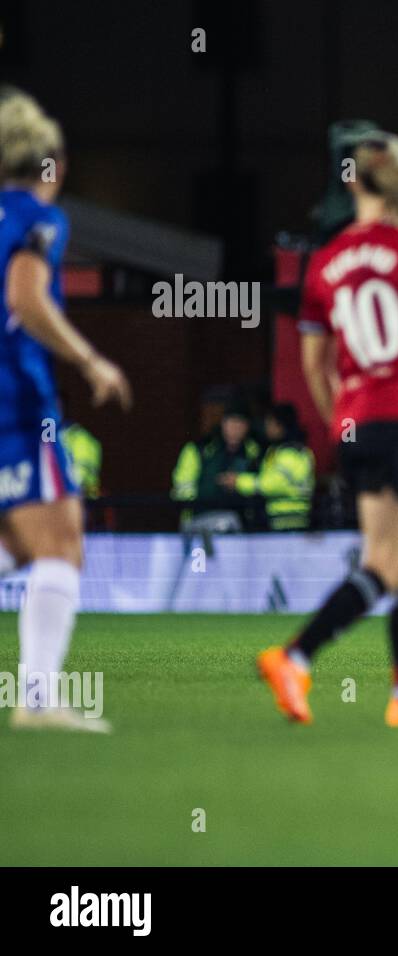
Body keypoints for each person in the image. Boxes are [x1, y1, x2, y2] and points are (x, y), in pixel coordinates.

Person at [257, 132, 398, 727]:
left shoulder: (324, 264)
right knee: (393, 561)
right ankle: (296, 655)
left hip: (355, 419)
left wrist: (343, 421)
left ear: (351, 182)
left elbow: (312, 363)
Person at [0, 96, 132, 731]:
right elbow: (24, 298)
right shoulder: (39, 220)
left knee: (16, 543)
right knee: (60, 541)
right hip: (18, 399)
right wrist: (89, 359)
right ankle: (38, 699)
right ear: (51, 165)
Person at [223, 403, 315, 531]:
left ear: (281, 425)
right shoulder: (278, 451)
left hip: (291, 520)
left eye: (270, 423)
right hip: (279, 519)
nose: (267, 428)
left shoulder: (291, 453)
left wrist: (238, 481)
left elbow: (272, 484)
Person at [171, 403, 262, 528]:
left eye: (240, 423)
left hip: (244, 524)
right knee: (226, 522)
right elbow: (183, 487)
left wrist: (239, 482)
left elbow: (264, 484)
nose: (236, 428)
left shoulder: (256, 453)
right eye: (231, 422)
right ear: (223, 423)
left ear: (247, 426)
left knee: (229, 522)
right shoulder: (199, 449)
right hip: (199, 518)